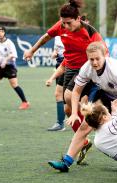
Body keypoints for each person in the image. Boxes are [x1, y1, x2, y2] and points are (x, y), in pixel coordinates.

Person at [23, 0, 106, 164]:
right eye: (63, 23)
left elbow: (104, 51)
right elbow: (46, 37)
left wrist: (101, 71)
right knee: (68, 109)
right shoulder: (61, 25)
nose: (65, 26)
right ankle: (83, 140)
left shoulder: (89, 31)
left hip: (86, 69)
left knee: (69, 96)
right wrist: (32, 50)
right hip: (69, 68)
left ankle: (86, 128)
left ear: (78, 19)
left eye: (68, 23)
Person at [0, 26, 30, 110]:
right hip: (1, 67)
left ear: (4, 33)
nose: (0, 33)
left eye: (2, 31)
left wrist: (5, 60)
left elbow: (14, 55)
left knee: (14, 85)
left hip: (10, 67)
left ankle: (25, 102)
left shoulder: (9, 42)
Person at [47, 36, 65, 131]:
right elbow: (56, 49)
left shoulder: (71, 31)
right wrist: (54, 53)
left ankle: (60, 123)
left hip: (67, 64)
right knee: (64, 96)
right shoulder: (57, 36)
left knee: (59, 94)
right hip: (59, 64)